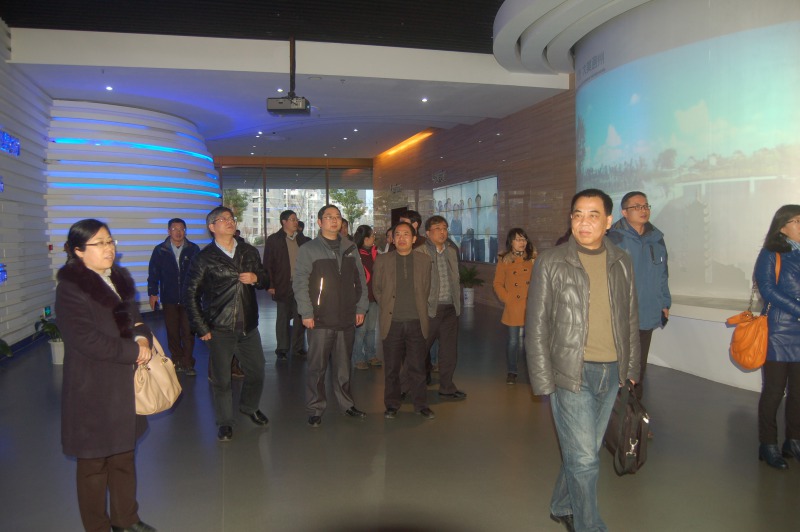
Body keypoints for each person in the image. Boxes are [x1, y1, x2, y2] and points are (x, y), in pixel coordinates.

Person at [525, 189, 640, 532]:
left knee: (584, 450)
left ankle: (562, 504)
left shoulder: (622, 261)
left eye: (593, 215)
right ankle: (590, 526)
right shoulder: (551, 261)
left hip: (611, 372)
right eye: (577, 215)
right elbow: (537, 325)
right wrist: (543, 380)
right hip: (570, 372)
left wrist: (631, 368)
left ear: (608, 221)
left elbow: (630, 318)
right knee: (586, 459)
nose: (583, 222)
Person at [56, 219, 157, 532]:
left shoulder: (118, 278)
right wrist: (132, 351)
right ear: (78, 251)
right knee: (94, 464)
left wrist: (142, 339)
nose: (108, 248)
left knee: (123, 456)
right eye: (99, 243)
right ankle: (97, 526)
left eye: (110, 241)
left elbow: (136, 319)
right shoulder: (71, 288)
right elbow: (84, 339)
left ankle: (126, 519)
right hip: (92, 388)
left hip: (123, 385)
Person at [184, 206, 270, 442]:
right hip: (219, 328)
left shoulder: (248, 251)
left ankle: (249, 406)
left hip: (248, 325)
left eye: (231, 218)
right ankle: (224, 422)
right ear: (212, 227)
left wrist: (257, 278)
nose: (230, 221)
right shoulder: (204, 258)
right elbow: (190, 294)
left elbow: (265, 278)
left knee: (257, 371)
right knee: (222, 379)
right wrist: (201, 327)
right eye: (223, 219)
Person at [293, 205, 369, 427]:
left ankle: (347, 404)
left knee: (344, 367)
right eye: (329, 217)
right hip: (320, 319)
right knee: (317, 368)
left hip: (346, 317)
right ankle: (315, 408)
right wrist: (306, 312)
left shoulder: (350, 247)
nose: (334, 220)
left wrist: (360, 308)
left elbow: (361, 280)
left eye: (337, 217)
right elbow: (300, 282)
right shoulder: (309, 249)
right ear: (319, 222)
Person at [608, 191, 670, 405]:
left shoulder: (657, 238)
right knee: (618, 366)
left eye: (645, 206)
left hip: (646, 311)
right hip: (620, 314)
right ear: (624, 212)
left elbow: (663, 274)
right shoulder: (612, 239)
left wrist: (665, 303)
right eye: (637, 206)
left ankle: (633, 414)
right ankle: (613, 412)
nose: (643, 210)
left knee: (638, 368)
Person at [753, 204, 800, 470]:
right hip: (779, 332)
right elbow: (768, 289)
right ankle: (768, 444)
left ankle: (793, 441)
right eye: (797, 221)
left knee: (798, 392)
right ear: (782, 227)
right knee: (773, 391)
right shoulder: (771, 253)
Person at [373, 221, 435, 419]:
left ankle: (421, 405)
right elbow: (377, 289)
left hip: (416, 321)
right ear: (392, 239)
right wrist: (388, 307)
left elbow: (427, 289)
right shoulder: (382, 260)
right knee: (391, 368)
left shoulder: (424, 261)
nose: (401, 238)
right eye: (397, 234)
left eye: (406, 234)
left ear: (414, 238)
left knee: (417, 367)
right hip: (392, 323)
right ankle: (392, 405)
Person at [418, 215, 467, 399]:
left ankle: (447, 387)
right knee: (418, 350)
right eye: (437, 228)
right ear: (428, 233)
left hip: (450, 309)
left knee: (449, 351)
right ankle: (404, 387)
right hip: (430, 309)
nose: (442, 232)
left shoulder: (451, 251)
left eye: (445, 228)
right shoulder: (420, 252)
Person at [147, 218, 200, 375]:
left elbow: (199, 273)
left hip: (188, 298)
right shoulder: (160, 250)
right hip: (169, 298)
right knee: (172, 332)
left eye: (181, 229)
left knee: (188, 332)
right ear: (168, 231)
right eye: (174, 229)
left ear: (185, 231)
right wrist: (153, 293)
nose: (178, 232)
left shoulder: (193, 249)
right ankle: (177, 360)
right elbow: (153, 272)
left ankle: (188, 362)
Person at [263, 210, 310, 361]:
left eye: (296, 219)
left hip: (301, 284)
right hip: (283, 283)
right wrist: (270, 284)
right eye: (292, 219)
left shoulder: (302, 239)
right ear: (284, 222)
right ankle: (282, 349)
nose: (296, 222)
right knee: (283, 317)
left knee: (299, 317)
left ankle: (298, 348)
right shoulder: (274, 240)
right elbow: (268, 264)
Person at [493, 228, 537, 385]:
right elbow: (497, 283)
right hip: (514, 306)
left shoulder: (533, 258)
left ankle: (534, 372)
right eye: (518, 239)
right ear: (511, 242)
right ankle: (512, 371)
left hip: (531, 305)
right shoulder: (504, 259)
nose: (522, 242)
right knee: (512, 341)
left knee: (532, 341)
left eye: (524, 239)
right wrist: (507, 298)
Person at [352, 224, 381, 369]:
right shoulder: (356, 255)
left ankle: (371, 355)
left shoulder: (375, 253)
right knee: (360, 330)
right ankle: (358, 358)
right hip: (361, 299)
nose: (374, 238)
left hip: (374, 297)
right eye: (372, 235)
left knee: (371, 329)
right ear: (365, 239)